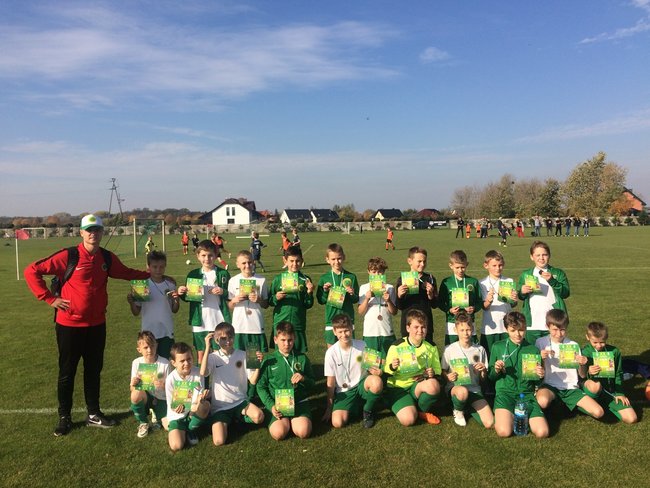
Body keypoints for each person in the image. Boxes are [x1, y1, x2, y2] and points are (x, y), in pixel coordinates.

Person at [24, 214, 150, 436]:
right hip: (69, 325)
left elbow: (128, 273)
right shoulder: (69, 256)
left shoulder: (107, 258)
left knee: (93, 371)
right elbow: (32, 270)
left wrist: (154, 275)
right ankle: (65, 417)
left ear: (102, 233)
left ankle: (94, 414)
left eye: (97, 230)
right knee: (67, 372)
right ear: (81, 233)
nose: (93, 233)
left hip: (97, 325)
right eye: (89, 230)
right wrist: (49, 298)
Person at [200, 324, 265, 446]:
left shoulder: (243, 354)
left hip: (240, 402)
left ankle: (237, 417)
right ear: (217, 340)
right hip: (220, 406)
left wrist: (257, 366)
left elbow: (253, 381)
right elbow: (203, 372)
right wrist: (207, 347)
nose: (227, 341)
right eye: (223, 338)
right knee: (219, 441)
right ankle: (225, 420)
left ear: (234, 337)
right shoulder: (213, 357)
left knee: (259, 417)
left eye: (230, 337)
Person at [488, 311, 548, 438]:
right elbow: (491, 377)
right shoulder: (498, 347)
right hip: (505, 395)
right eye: (513, 330)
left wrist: (540, 375)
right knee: (504, 432)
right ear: (506, 329)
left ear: (525, 328)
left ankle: (517, 415)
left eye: (521, 330)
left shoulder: (533, 349)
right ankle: (507, 415)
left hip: (526, 396)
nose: (517, 334)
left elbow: (537, 382)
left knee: (542, 433)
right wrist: (497, 370)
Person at [535, 310, 604, 420]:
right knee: (542, 402)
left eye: (562, 330)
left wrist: (583, 363)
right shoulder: (540, 342)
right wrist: (540, 358)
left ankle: (571, 405)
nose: (558, 334)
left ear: (566, 328)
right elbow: (537, 372)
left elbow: (582, 375)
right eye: (555, 330)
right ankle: (557, 404)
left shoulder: (573, 345)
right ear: (547, 327)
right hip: (549, 386)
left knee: (599, 412)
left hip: (570, 388)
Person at [322, 314, 383, 429]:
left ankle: (367, 411)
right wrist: (329, 407)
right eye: (340, 332)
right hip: (344, 391)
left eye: (346, 331)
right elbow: (330, 382)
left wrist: (378, 372)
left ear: (352, 328)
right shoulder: (331, 353)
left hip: (361, 385)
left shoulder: (362, 345)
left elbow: (371, 368)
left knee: (376, 382)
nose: (344, 335)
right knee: (338, 423)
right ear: (334, 332)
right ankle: (356, 406)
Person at [256, 322, 315, 440]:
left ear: (294, 339)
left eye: (290, 340)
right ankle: (284, 422)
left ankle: (295, 421)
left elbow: (313, 384)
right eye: (283, 340)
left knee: (304, 432)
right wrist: (271, 406)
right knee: (278, 434)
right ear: (275, 339)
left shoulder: (302, 358)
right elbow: (261, 387)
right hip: (277, 405)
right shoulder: (268, 360)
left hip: (299, 402)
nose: (287, 344)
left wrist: (304, 379)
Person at [383, 309, 442, 426]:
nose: (420, 330)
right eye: (416, 327)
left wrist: (432, 373)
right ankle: (401, 405)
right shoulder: (396, 346)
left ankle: (421, 411)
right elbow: (386, 372)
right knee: (408, 420)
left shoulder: (431, 346)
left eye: (423, 327)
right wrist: (392, 366)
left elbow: (438, 370)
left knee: (433, 385)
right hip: (398, 388)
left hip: (417, 386)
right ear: (408, 328)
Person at [177, 239, 231, 364]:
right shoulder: (193, 274)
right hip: (199, 321)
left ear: (215, 255)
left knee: (221, 355)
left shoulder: (223, 273)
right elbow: (188, 297)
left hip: (219, 319)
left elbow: (231, 295)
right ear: (198, 256)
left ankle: (217, 383)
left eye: (210, 255)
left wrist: (223, 292)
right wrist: (181, 292)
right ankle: (204, 383)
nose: (207, 258)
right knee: (202, 356)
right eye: (203, 255)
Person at [441, 312, 493, 428]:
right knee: (462, 392)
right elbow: (442, 371)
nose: (466, 333)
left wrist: (483, 371)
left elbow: (483, 380)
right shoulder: (449, 349)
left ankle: (467, 407)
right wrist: (447, 376)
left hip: (474, 390)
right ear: (456, 330)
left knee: (489, 423)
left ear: (473, 329)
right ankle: (458, 409)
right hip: (456, 389)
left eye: (468, 329)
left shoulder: (479, 350)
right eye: (462, 330)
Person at [581, 322, 637, 424]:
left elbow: (618, 373)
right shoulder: (584, 352)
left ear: (606, 338)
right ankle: (588, 405)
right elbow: (581, 377)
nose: (599, 346)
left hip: (610, 391)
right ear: (587, 337)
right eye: (595, 342)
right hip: (592, 389)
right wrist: (589, 372)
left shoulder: (614, 351)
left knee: (631, 418)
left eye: (602, 342)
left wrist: (619, 393)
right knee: (595, 386)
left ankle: (607, 404)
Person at [227, 250, 269, 386]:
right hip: (239, 328)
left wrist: (259, 299)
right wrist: (234, 300)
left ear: (253, 262)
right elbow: (229, 305)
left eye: (249, 262)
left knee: (254, 361)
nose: (247, 265)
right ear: (238, 264)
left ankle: (252, 392)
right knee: (239, 361)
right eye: (243, 263)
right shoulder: (233, 281)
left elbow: (266, 304)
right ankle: (240, 389)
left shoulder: (261, 280)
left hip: (256, 327)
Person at [127, 250, 179, 359]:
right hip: (148, 332)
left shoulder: (170, 284)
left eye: (161, 267)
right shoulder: (142, 285)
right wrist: (131, 302)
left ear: (165, 266)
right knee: (150, 364)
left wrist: (176, 299)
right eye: (155, 267)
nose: (158, 270)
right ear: (148, 266)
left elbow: (174, 309)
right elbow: (136, 312)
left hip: (166, 331)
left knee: (165, 364)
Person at [517, 241, 570, 343]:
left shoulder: (558, 273)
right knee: (533, 354)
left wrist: (552, 281)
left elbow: (565, 293)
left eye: (544, 254)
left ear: (549, 256)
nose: (541, 258)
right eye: (538, 255)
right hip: (532, 323)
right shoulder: (526, 274)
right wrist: (522, 292)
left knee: (554, 354)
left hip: (553, 323)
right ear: (532, 257)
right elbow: (521, 296)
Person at [165, 342, 210, 451]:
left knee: (205, 405)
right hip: (177, 416)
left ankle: (191, 430)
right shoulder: (170, 379)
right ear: (173, 363)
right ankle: (182, 428)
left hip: (192, 412)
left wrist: (200, 400)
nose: (186, 363)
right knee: (176, 446)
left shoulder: (198, 373)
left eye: (189, 359)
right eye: (182, 361)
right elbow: (171, 405)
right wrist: (176, 407)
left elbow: (199, 394)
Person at [268, 246, 314, 352]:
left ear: (302, 261)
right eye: (291, 261)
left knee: (297, 354)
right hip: (280, 321)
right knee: (280, 353)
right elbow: (269, 301)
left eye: (297, 261)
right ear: (285, 260)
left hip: (297, 322)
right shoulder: (278, 279)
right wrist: (276, 297)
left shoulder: (305, 280)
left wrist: (309, 292)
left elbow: (308, 304)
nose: (294, 264)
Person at [316, 243, 360, 348]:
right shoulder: (324, 278)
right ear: (327, 260)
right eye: (333, 259)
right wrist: (325, 291)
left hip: (347, 320)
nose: (336, 262)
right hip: (330, 320)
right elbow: (320, 300)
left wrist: (352, 293)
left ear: (343, 257)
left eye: (339, 258)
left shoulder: (351, 277)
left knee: (349, 351)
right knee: (331, 352)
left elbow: (355, 299)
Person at [129, 331, 169, 438]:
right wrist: (134, 384)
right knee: (135, 394)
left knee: (168, 427)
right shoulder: (136, 363)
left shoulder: (165, 363)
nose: (150, 350)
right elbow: (132, 388)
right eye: (146, 347)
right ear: (139, 350)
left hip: (161, 399)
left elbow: (172, 389)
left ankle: (157, 414)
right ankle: (143, 422)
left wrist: (163, 385)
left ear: (156, 345)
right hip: (146, 398)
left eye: (152, 346)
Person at [395, 246, 438, 344]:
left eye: (424, 261)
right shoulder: (402, 279)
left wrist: (431, 295)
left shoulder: (430, 278)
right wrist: (399, 295)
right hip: (408, 325)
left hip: (426, 324)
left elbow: (435, 305)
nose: (422, 264)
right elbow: (400, 306)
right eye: (419, 261)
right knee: (409, 355)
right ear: (410, 261)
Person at [438, 250, 481, 345]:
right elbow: (440, 302)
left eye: (463, 267)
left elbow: (479, 301)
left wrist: (473, 309)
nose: (460, 270)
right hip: (452, 321)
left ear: (467, 265)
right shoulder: (446, 282)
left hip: (469, 322)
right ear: (451, 266)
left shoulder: (473, 281)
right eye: (457, 267)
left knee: (471, 348)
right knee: (451, 349)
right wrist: (449, 310)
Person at [479, 250, 517, 357]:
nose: (497, 268)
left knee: (507, 356)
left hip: (507, 327)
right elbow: (484, 307)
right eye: (494, 265)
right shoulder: (482, 283)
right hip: (490, 328)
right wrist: (488, 301)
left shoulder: (509, 281)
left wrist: (514, 299)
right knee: (490, 357)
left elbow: (513, 304)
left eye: (500, 265)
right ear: (486, 265)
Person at [358, 256, 398, 358]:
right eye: (374, 272)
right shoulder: (364, 288)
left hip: (386, 330)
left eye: (380, 272)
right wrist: (367, 299)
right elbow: (360, 312)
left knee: (388, 360)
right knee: (371, 363)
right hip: (370, 332)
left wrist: (388, 300)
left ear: (384, 272)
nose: (377, 274)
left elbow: (394, 312)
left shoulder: (389, 288)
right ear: (368, 272)